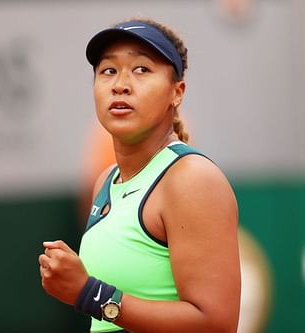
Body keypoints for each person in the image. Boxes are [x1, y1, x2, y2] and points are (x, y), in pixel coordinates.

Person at [39, 18, 241, 333]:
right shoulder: (105, 181)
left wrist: (89, 293)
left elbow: (215, 324)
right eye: (108, 70)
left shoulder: (192, 178)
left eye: (141, 70)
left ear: (177, 92)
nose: (120, 84)